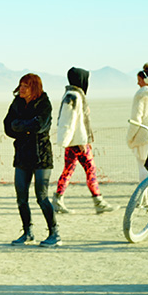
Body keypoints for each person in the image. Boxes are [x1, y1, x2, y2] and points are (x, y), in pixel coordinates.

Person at [4, 74, 60, 247]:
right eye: (21, 85)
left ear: (34, 88)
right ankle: (27, 232)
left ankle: (54, 233)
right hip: (22, 156)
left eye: (26, 86)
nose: (21, 88)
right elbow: (8, 126)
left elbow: (40, 125)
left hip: (41, 156)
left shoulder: (44, 103)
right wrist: (24, 126)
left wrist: (20, 125)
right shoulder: (17, 103)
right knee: (21, 197)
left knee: (41, 197)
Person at [52, 67, 114, 215]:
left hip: (74, 141)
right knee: (90, 169)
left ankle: (58, 200)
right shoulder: (74, 96)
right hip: (78, 142)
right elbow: (70, 120)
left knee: (68, 170)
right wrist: (77, 142)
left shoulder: (71, 94)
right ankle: (98, 201)